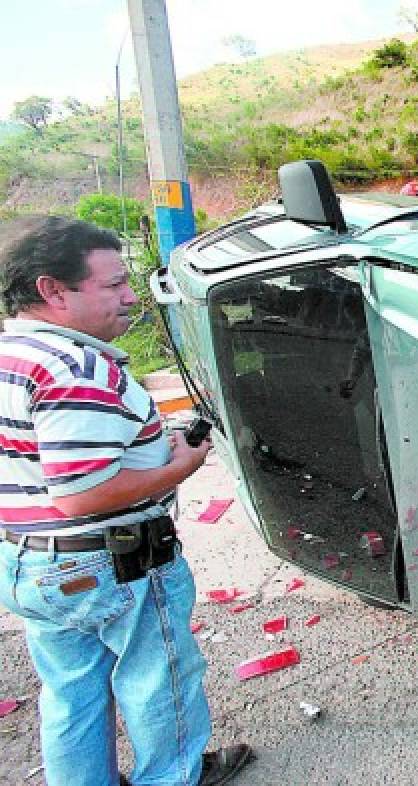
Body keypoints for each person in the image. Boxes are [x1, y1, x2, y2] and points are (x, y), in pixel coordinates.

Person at [0, 216, 253, 786]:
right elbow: (82, 493)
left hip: (31, 560)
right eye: (112, 284)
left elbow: (50, 459)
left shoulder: (14, 355)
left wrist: (145, 445)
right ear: (52, 290)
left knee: (71, 690)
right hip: (108, 559)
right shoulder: (74, 366)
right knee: (157, 677)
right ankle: (172, 777)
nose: (128, 295)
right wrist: (180, 466)